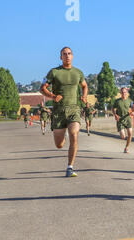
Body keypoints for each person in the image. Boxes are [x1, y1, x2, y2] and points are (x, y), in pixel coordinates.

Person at [40, 46, 88, 178]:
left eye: (69, 53)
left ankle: (70, 167)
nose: (67, 56)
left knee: (74, 134)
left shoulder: (78, 72)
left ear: (73, 56)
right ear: (60, 57)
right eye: (64, 54)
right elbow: (42, 88)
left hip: (74, 109)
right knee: (59, 145)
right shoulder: (54, 72)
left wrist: (84, 96)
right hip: (59, 112)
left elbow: (84, 86)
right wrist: (53, 96)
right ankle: (63, 133)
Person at [113, 87, 134, 153]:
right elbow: (113, 109)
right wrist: (115, 115)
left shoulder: (130, 100)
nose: (123, 93)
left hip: (128, 119)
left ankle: (126, 148)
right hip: (120, 120)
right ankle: (125, 144)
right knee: (123, 136)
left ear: (127, 93)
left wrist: (133, 112)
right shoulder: (117, 101)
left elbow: (133, 108)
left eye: (125, 92)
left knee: (130, 134)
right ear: (120, 93)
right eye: (122, 92)